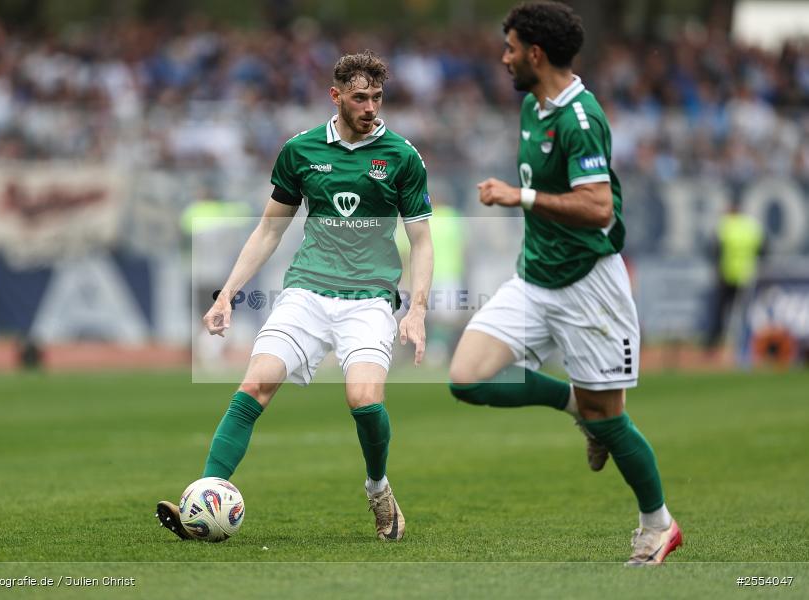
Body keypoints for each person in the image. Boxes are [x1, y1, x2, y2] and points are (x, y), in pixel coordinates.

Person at [157, 50, 433, 541]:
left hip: (369, 298)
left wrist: (417, 307)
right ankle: (204, 497)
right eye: (359, 97)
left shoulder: (401, 156)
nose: (371, 107)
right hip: (306, 290)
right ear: (336, 96)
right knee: (255, 384)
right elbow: (269, 230)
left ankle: (378, 487)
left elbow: (423, 239)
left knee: (363, 398)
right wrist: (227, 295)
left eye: (377, 97)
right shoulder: (301, 151)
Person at [447, 2, 681, 565]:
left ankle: (659, 525)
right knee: (466, 377)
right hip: (535, 279)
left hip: (588, 289)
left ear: (535, 53)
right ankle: (574, 403)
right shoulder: (533, 105)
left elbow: (599, 208)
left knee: (613, 420)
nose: (502, 58)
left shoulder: (580, 118)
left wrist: (519, 196)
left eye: (509, 48)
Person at [704, 201, 764, 352]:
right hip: (748, 276)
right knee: (746, 312)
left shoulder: (725, 226)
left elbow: (716, 250)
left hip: (727, 275)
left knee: (721, 311)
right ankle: (745, 343)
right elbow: (762, 250)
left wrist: (717, 268)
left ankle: (715, 344)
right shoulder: (752, 227)